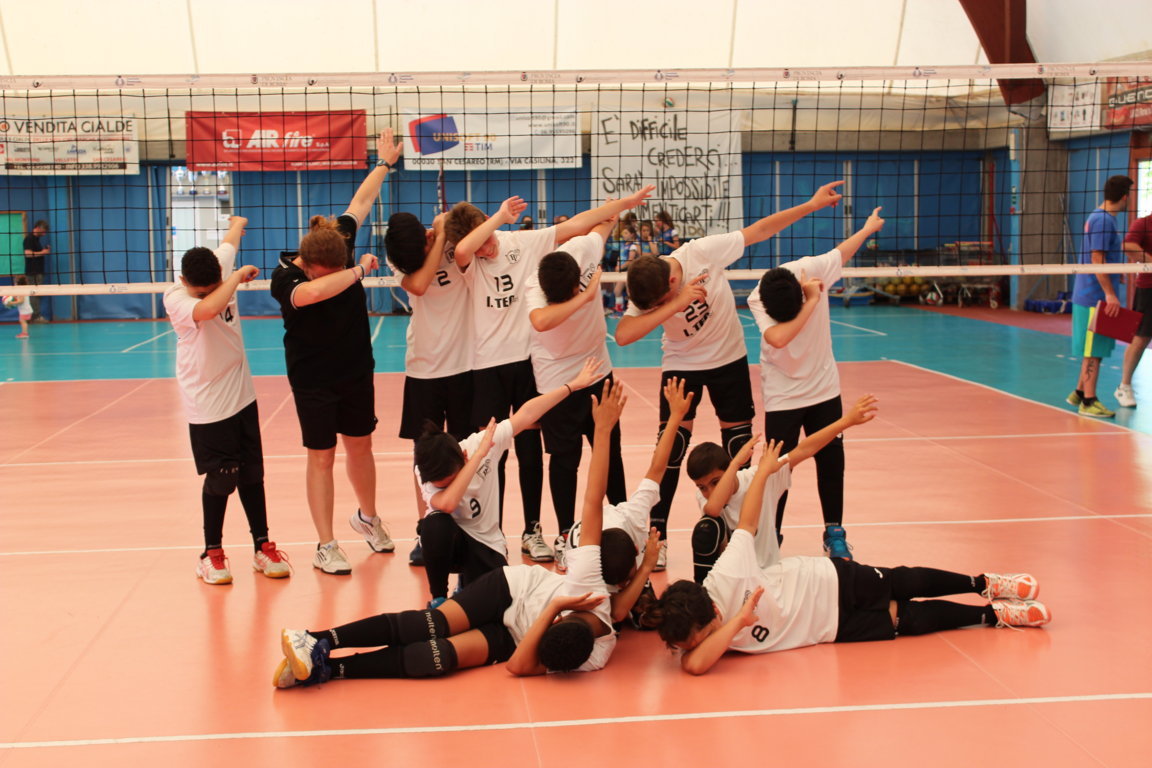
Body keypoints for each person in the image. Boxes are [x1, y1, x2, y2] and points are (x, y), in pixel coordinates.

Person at [272, 376, 626, 688]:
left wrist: (553, 611)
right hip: (508, 589)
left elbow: (520, 665)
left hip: (514, 623)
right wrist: (598, 425)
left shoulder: (589, 656)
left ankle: (327, 669)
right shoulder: (588, 582)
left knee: (437, 658)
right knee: (432, 617)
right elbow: (592, 498)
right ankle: (317, 637)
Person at [642, 439, 1051, 676]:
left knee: (904, 581)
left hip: (827, 580)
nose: (690, 648)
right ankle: (993, 616)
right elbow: (694, 665)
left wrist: (763, 472)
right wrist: (738, 622)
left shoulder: (728, 574)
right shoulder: (704, 634)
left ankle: (984, 583)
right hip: (831, 626)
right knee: (906, 620)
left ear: (710, 613)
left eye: (694, 639)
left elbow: (746, 523)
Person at [615, 180, 846, 571]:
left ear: (671, 278)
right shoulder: (649, 285)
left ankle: (738, 532)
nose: (657, 309)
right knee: (670, 450)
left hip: (728, 360)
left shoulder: (701, 253)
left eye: (662, 301)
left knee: (739, 448)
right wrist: (673, 306)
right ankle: (658, 536)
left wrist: (810, 205)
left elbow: (760, 230)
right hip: (681, 365)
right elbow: (623, 335)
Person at [444, 184, 655, 563]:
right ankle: (490, 533)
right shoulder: (470, 260)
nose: (486, 249)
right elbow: (462, 249)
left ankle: (532, 530)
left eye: (488, 240)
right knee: (491, 453)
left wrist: (624, 204)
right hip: (487, 366)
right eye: (480, 243)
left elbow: (579, 225)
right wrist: (498, 219)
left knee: (531, 453)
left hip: (528, 363)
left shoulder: (522, 243)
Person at [270, 129, 402, 575]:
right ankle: (326, 544)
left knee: (361, 446)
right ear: (307, 264)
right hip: (312, 380)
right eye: (327, 272)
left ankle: (368, 518)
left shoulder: (338, 241)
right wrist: (359, 270)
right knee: (321, 455)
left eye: (341, 266)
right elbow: (313, 294)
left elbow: (360, 202)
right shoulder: (287, 277)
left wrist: (383, 163)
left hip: (355, 370)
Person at [746, 207, 886, 559]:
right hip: (782, 394)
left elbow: (843, 251)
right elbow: (779, 339)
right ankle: (770, 536)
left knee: (831, 462)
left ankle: (834, 532)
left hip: (823, 388)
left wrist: (867, 228)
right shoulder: (758, 296)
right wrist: (812, 300)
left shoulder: (814, 267)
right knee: (778, 469)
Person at [162, 216, 290, 585]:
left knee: (252, 475)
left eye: (212, 287)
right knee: (222, 479)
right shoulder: (176, 297)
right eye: (200, 291)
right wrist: (233, 280)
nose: (206, 295)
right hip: (207, 406)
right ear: (185, 281)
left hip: (242, 397)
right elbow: (206, 310)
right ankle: (211, 553)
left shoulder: (218, 268)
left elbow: (229, 242)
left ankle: (262, 546)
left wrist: (237, 223)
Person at [415, 359, 604, 607]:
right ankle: (439, 598)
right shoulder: (429, 467)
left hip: (486, 544)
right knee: (433, 524)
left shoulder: (477, 444)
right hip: (452, 544)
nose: (443, 486)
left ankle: (468, 584)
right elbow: (447, 504)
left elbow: (527, 414)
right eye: (440, 485)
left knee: (491, 607)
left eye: (449, 482)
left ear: (463, 456)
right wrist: (479, 457)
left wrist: (572, 386)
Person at [686, 394, 878, 584]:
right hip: (733, 580)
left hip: (768, 575)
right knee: (707, 527)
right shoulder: (707, 499)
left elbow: (804, 449)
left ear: (728, 470)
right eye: (702, 487)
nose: (709, 491)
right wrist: (736, 461)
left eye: (716, 482)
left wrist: (847, 421)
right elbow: (713, 508)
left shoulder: (759, 476)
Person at [525, 215, 626, 563]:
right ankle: (566, 535)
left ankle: (623, 524)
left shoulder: (581, 250)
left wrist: (618, 209)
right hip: (559, 388)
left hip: (599, 376)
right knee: (565, 462)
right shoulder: (535, 291)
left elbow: (601, 226)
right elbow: (541, 321)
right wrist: (586, 298)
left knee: (610, 454)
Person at [561, 377, 693, 624]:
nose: (623, 586)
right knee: (611, 620)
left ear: (636, 549)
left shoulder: (631, 516)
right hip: (594, 569)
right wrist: (646, 567)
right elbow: (617, 612)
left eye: (626, 580)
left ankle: (639, 590)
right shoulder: (585, 567)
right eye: (621, 584)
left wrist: (675, 416)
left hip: (616, 537)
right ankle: (637, 586)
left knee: (651, 617)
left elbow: (657, 468)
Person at [384, 211, 471, 567]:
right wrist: (438, 239)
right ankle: (427, 529)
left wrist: (447, 227)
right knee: (423, 455)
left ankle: (468, 528)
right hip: (423, 369)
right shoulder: (401, 259)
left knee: (467, 451)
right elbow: (418, 285)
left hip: (465, 364)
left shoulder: (451, 239)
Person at [1067, 175, 1133, 418]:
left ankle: (1079, 392)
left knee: (1094, 348)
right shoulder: (1103, 220)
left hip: (1094, 295)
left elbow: (1102, 258)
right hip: (1093, 298)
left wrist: (1116, 273)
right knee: (1093, 350)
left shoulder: (1101, 217)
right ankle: (1089, 401)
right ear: (1124, 197)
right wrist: (1110, 294)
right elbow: (1097, 260)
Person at [1117, 210, 1152, 407]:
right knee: (1141, 338)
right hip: (1149, 288)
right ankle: (1124, 386)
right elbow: (1128, 245)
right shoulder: (1143, 224)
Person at [22, 220, 49, 322]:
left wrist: (43, 251)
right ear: (37, 228)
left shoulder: (37, 239)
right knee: (33, 294)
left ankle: (33, 316)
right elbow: (28, 254)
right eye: (43, 231)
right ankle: (35, 316)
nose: (44, 234)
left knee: (37, 294)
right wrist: (42, 252)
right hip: (32, 272)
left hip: (38, 271)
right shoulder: (29, 239)